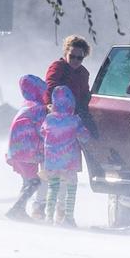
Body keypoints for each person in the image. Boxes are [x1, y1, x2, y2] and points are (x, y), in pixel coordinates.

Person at [34, 35, 97, 220]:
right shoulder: (58, 67)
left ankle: (62, 209)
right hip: (54, 125)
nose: (76, 61)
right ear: (66, 53)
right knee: (49, 170)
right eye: (73, 56)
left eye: (80, 57)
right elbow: (51, 87)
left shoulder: (83, 73)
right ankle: (40, 205)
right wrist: (52, 106)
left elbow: (84, 96)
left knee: (66, 171)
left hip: (71, 125)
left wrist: (85, 118)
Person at [40, 85, 91, 227]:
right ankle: (68, 217)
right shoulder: (74, 120)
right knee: (71, 187)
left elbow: (42, 132)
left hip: (52, 161)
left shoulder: (49, 119)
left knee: (53, 187)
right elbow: (84, 136)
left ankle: (49, 217)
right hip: (69, 161)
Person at [4, 75, 48, 221]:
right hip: (28, 151)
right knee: (35, 181)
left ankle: (20, 209)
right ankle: (15, 209)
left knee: (27, 181)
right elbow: (42, 129)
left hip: (16, 149)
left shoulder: (25, 106)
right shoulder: (38, 108)